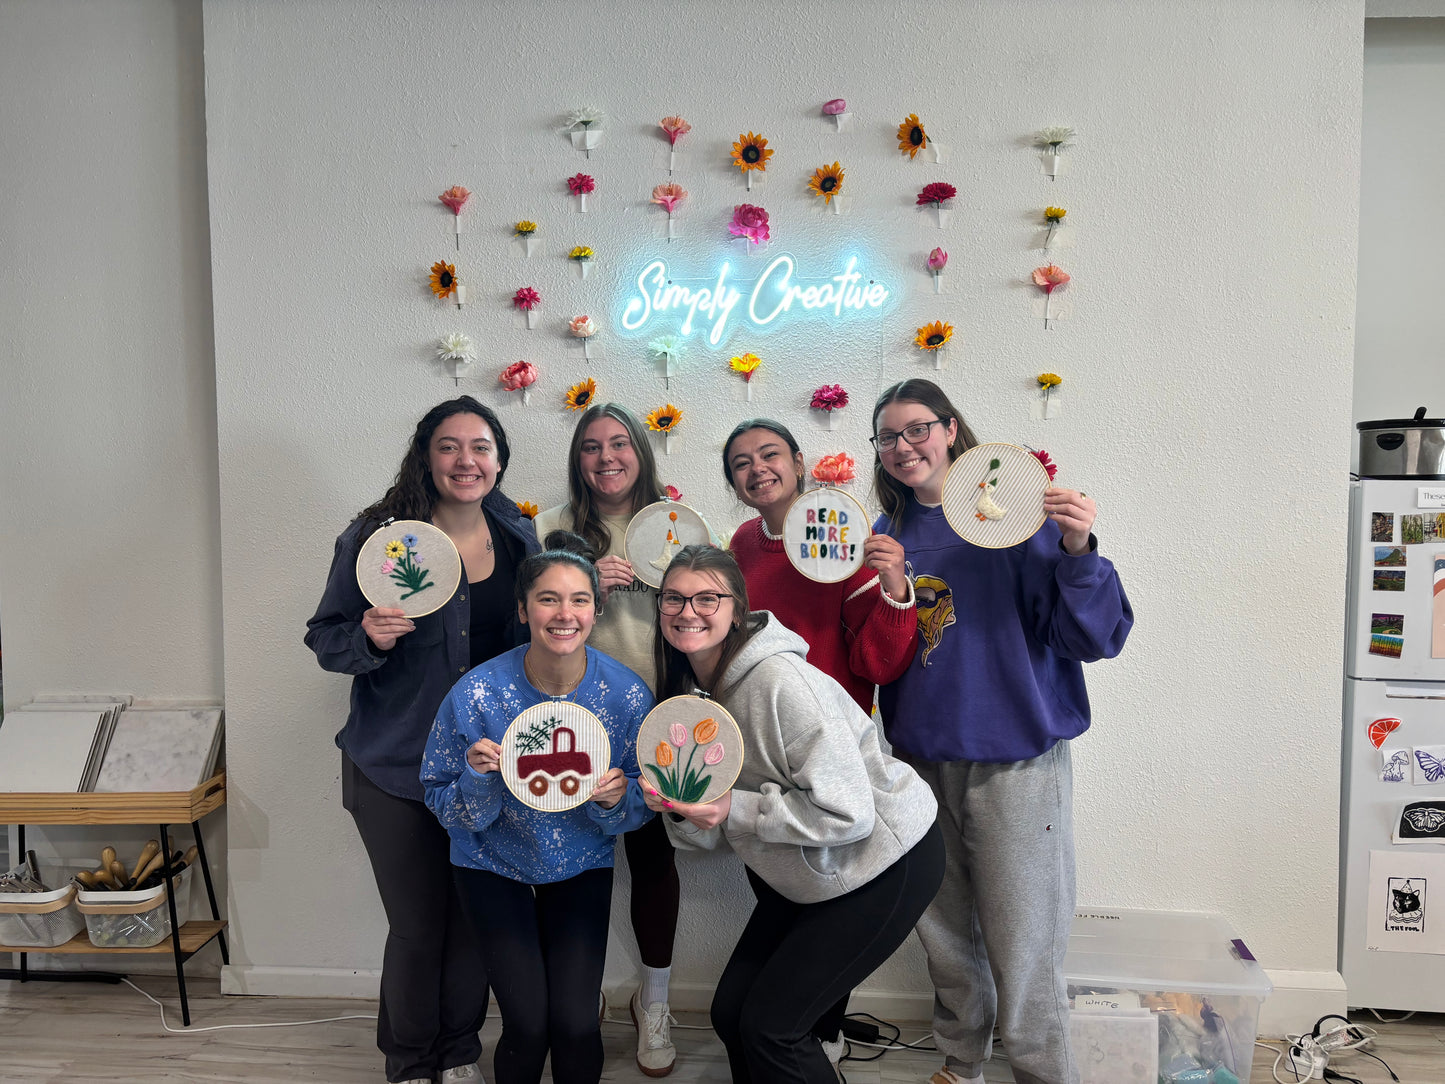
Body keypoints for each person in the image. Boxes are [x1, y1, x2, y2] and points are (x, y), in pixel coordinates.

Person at [869, 379, 1133, 1084]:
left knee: (1025, 944)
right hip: (922, 763)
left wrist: (1077, 546)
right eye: (887, 436)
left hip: (1016, 762)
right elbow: (881, 655)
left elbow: (1089, 636)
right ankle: (960, 1062)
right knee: (946, 936)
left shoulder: (1014, 518)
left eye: (916, 429)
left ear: (951, 429)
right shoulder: (887, 537)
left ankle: (1042, 1073)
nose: (903, 447)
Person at [643, 544, 945, 1084]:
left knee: (773, 1028)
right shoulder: (694, 695)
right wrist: (682, 809)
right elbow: (715, 830)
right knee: (732, 1015)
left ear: (737, 607)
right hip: (814, 869)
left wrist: (734, 806)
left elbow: (850, 813)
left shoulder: (780, 683)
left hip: (885, 859)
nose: (688, 611)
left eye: (707, 598)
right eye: (673, 598)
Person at [305, 395, 539, 1084]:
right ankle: (409, 1062)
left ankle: (460, 1053)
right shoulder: (377, 538)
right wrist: (367, 638)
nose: (465, 461)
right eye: (448, 446)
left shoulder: (520, 537)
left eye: (480, 447)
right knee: (416, 927)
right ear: (425, 455)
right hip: (393, 767)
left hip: (484, 771)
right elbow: (325, 638)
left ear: (499, 459)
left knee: (471, 922)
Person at [421, 531, 654, 1084]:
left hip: (580, 863)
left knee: (574, 1024)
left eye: (579, 599)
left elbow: (645, 798)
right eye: (548, 598)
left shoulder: (625, 695)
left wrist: (617, 800)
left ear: (597, 610)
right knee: (526, 1025)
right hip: (490, 864)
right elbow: (439, 799)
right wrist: (478, 782)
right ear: (523, 611)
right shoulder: (477, 694)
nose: (564, 613)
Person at [533, 402, 683, 1076]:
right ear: (577, 459)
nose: (606, 458)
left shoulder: (675, 525)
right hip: (571, 717)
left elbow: (702, 615)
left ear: (640, 454)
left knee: (653, 861)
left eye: (619, 444)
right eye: (591, 447)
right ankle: (577, 993)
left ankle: (654, 1003)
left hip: (653, 717)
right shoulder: (556, 529)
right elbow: (537, 626)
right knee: (568, 862)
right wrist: (587, 587)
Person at [722, 418, 917, 714]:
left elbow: (878, 667)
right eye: (741, 463)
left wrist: (897, 593)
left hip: (830, 730)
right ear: (735, 485)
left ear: (798, 463)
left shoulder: (847, 537)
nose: (758, 468)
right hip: (760, 723)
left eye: (770, 454)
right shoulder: (742, 541)